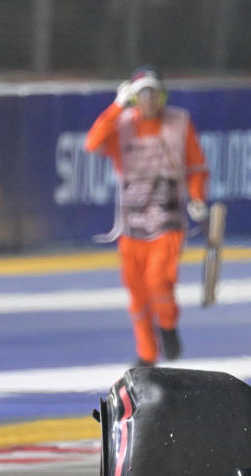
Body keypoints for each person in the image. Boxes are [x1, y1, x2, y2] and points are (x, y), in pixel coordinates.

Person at [85, 66, 209, 367]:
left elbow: (196, 167)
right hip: (132, 225)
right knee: (137, 293)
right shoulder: (122, 124)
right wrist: (116, 108)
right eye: (143, 94)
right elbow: (93, 144)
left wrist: (196, 197)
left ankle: (167, 325)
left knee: (158, 281)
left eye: (154, 93)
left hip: (167, 221)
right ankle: (147, 354)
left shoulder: (179, 123)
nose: (149, 99)